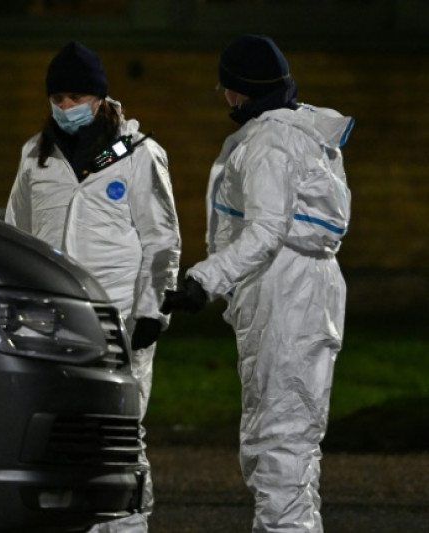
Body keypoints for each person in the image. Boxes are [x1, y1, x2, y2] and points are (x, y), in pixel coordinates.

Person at [162, 34, 354, 533]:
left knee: (277, 441)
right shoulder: (304, 133)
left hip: (284, 294)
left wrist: (204, 281)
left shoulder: (270, 141)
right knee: (294, 440)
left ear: (236, 89)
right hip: (304, 292)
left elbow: (265, 232)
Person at [5, 40, 181, 533]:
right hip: (53, 320)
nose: (66, 108)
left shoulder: (137, 156)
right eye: (58, 99)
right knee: (59, 436)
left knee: (121, 436)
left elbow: (162, 239)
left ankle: (126, 527)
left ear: (100, 99)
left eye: (76, 98)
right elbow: (17, 233)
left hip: (121, 318)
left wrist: (152, 310)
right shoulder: (35, 157)